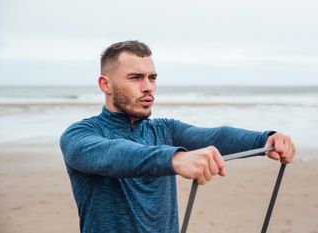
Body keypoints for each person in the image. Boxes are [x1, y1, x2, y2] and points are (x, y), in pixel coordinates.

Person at [60, 40, 295, 233]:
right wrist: (176, 159)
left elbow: (215, 135)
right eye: (135, 77)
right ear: (106, 85)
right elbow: (113, 154)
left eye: (152, 78)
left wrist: (266, 139)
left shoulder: (165, 130)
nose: (148, 87)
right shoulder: (79, 135)